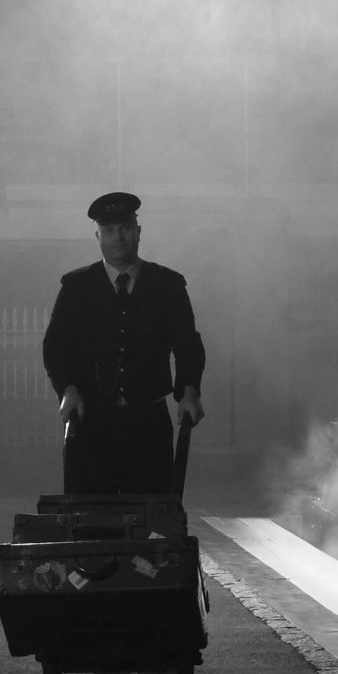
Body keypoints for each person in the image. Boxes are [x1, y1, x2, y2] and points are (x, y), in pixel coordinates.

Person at [43, 192, 207, 496]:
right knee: (90, 512)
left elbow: (187, 345)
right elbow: (55, 346)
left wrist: (189, 392)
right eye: (108, 230)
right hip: (91, 421)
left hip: (148, 423)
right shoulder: (77, 287)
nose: (118, 237)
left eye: (125, 228)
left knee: (151, 509)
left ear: (138, 231)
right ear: (97, 236)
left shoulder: (167, 284)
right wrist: (67, 389)